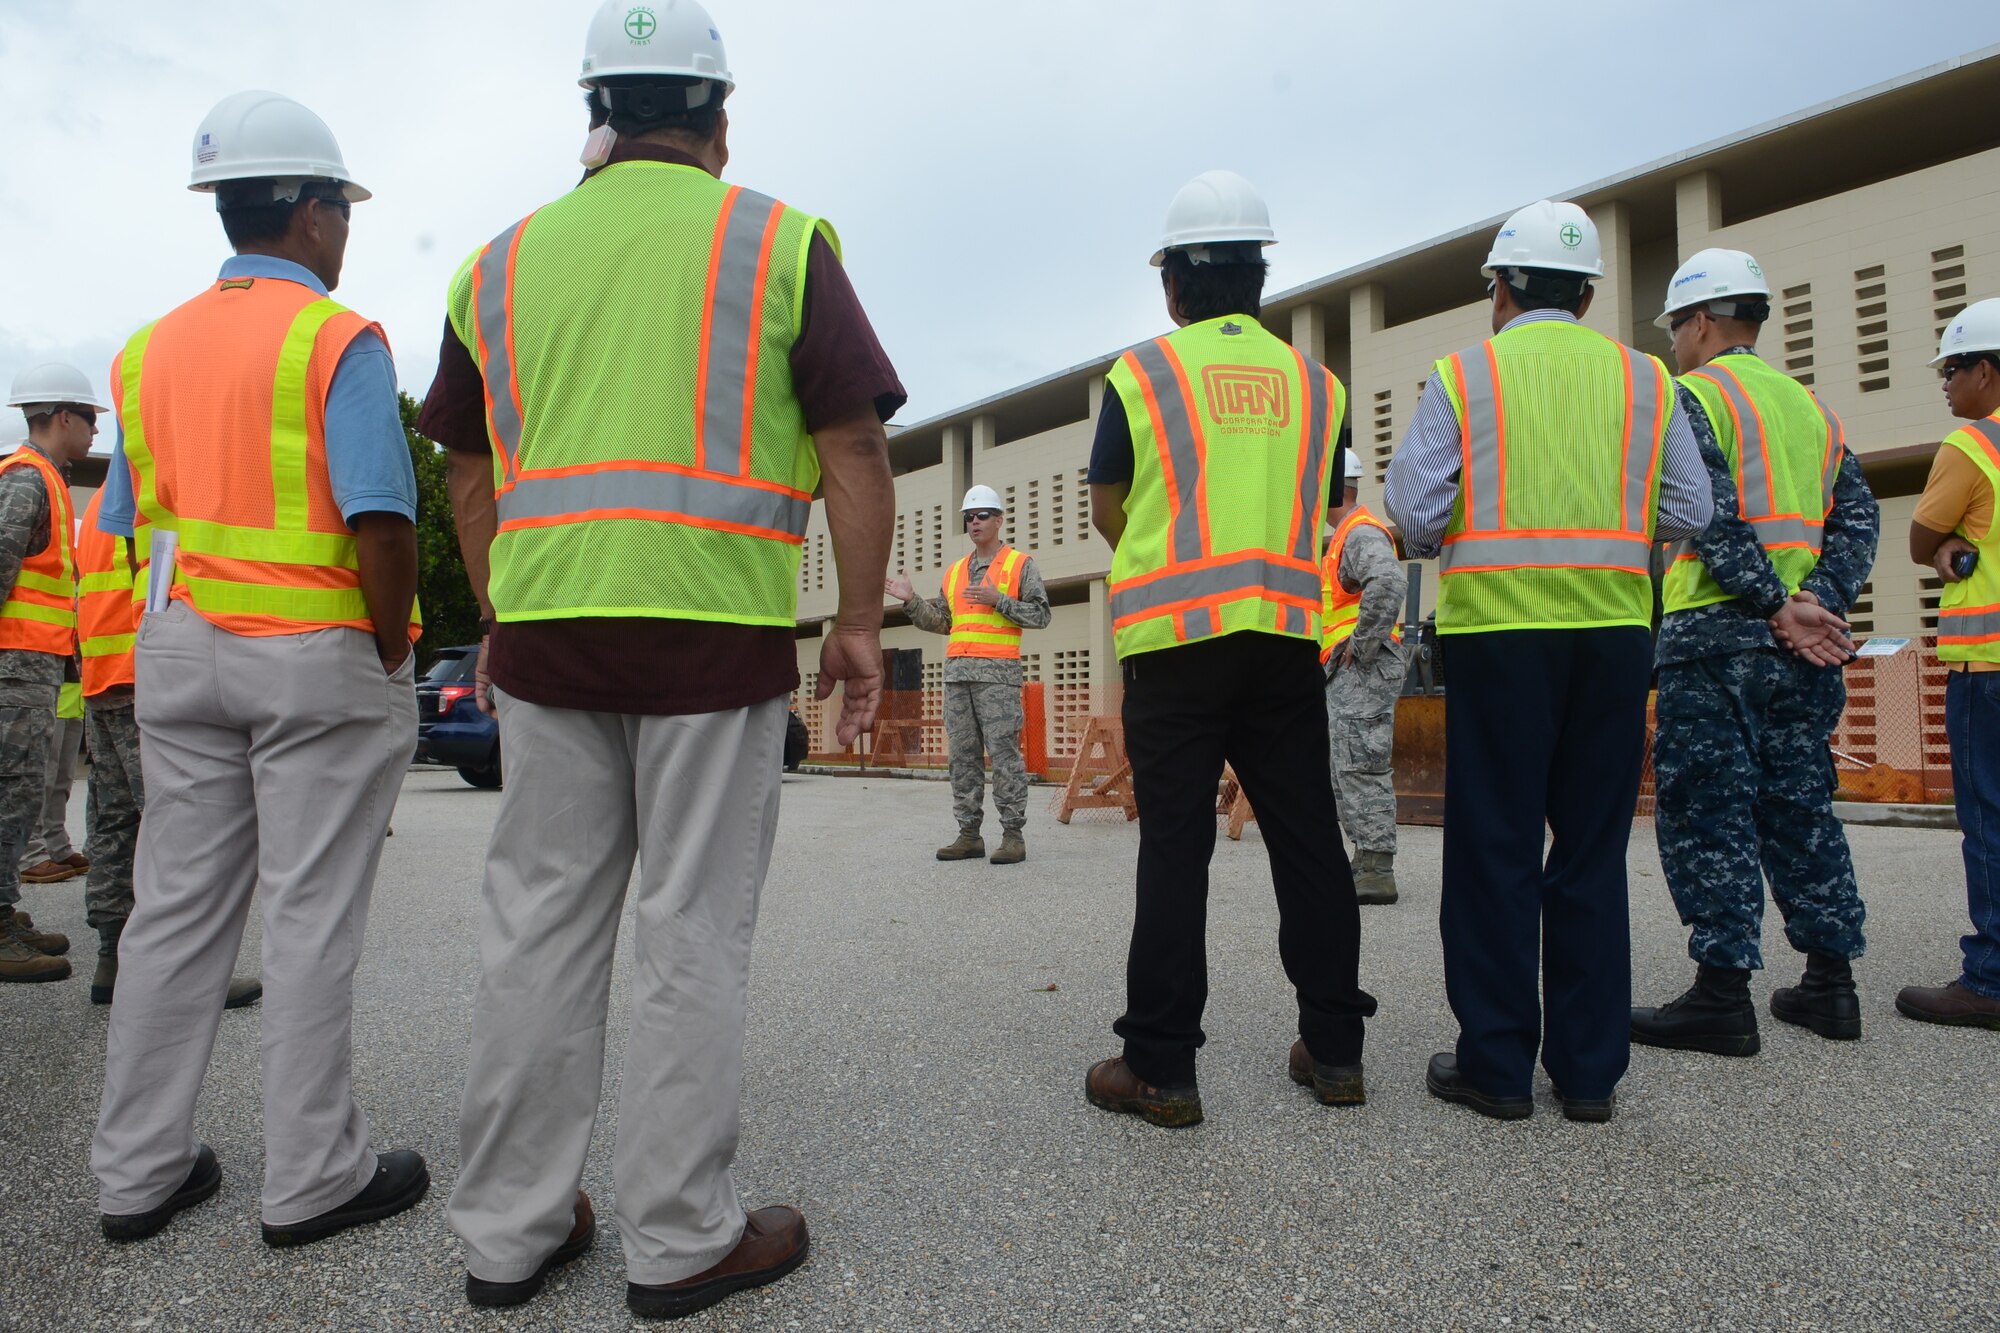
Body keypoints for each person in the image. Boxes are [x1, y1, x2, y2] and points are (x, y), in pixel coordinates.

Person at [421, 1, 901, 1317]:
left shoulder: (497, 265)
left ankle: (510, 1233)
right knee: (691, 933)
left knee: (538, 929)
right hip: (714, 637)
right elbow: (854, 450)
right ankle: (680, 1238)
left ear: (595, 115)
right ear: (718, 118)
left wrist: (505, 602)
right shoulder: (777, 241)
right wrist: (857, 625)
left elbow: (464, 467)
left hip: (550, 634)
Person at [90, 90, 424, 1246]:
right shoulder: (339, 339)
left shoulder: (143, 355)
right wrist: (389, 651)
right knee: (308, 915)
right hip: (315, 654)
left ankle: (136, 1171)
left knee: (173, 915)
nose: (347, 230)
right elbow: (382, 521)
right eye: (343, 205)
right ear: (311, 211)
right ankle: (312, 1176)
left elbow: (134, 522)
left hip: (180, 651)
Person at [1385, 201, 1714, 1123]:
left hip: (1498, 636)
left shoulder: (1466, 376)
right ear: (1588, 290)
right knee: (1593, 849)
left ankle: (1495, 1065)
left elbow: (1412, 515)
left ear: (1501, 287)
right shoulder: (1648, 379)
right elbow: (1690, 507)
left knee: (1494, 845)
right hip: (1615, 634)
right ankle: (1588, 1075)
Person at [1083, 169, 1376, 1129]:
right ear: (1260, 278)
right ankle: (1335, 1047)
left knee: (1177, 847)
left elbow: (1109, 509)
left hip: (1173, 643)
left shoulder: (1142, 374)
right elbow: (1322, 504)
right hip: (1285, 639)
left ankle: (1162, 1067)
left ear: (1173, 285)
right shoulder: (1318, 386)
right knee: (1307, 841)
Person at [1630, 248, 1877, 1057]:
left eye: (1676, 327)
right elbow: (1858, 520)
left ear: (1701, 321)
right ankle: (1830, 982)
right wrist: (1819, 606)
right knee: (1801, 805)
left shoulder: (1691, 397)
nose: (1674, 344)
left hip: (1716, 641)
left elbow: (1705, 512)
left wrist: (1775, 605)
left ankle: (1722, 993)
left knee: (1709, 811)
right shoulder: (1813, 412)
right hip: (1805, 653)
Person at [72, 487, 265, 1009]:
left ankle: (112, 960)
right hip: (143, 671)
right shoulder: (151, 494)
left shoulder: (96, 507)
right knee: (177, 825)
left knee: (114, 823)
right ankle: (188, 974)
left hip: (101, 675)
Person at [1899, 296, 2000, 1030]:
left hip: (1987, 665)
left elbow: (1921, 535)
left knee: (1990, 816)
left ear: (1988, 373)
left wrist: (1943, 551)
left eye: (1954, 367)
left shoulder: (1973, 447)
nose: (1946, 382)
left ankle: (1990, 977)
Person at [886, 485, 1050, 864]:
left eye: (981, 515)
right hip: (958, 676)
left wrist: (1001, 602)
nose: (974, 522)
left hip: (997, 678)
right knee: (962, 758)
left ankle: (1013, 836)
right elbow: (943, 622)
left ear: (999, 520)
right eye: (969, 517)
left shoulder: (1019, 565)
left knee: (1005, 756)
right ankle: (969, 834)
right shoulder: (957, 571)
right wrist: (911, 600)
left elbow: (1041, 615)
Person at [0, 362, 97, 984]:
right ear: (63, 415)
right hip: (13, 666)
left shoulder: (47, 482)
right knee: (9, 795)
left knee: (19, 793)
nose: (92, 433)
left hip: (31, 666)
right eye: (90, 420)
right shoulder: (27, 481)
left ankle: (5, 912)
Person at [1320, 441, 1406, 904]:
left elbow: (1389, 581)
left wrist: (1363, 643)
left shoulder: (1359, 533)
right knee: (1349, 766)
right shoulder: (1348, 535)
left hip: (1363, 670)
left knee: (1361, 765)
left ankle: (1376, 868)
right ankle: (1365, 860)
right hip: (1351, 673)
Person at [19, 666, 87, 886]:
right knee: (40, 782)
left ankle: (56, 845)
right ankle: (30, 853)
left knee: (62, 782)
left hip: (72, 695)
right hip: (42, 688)